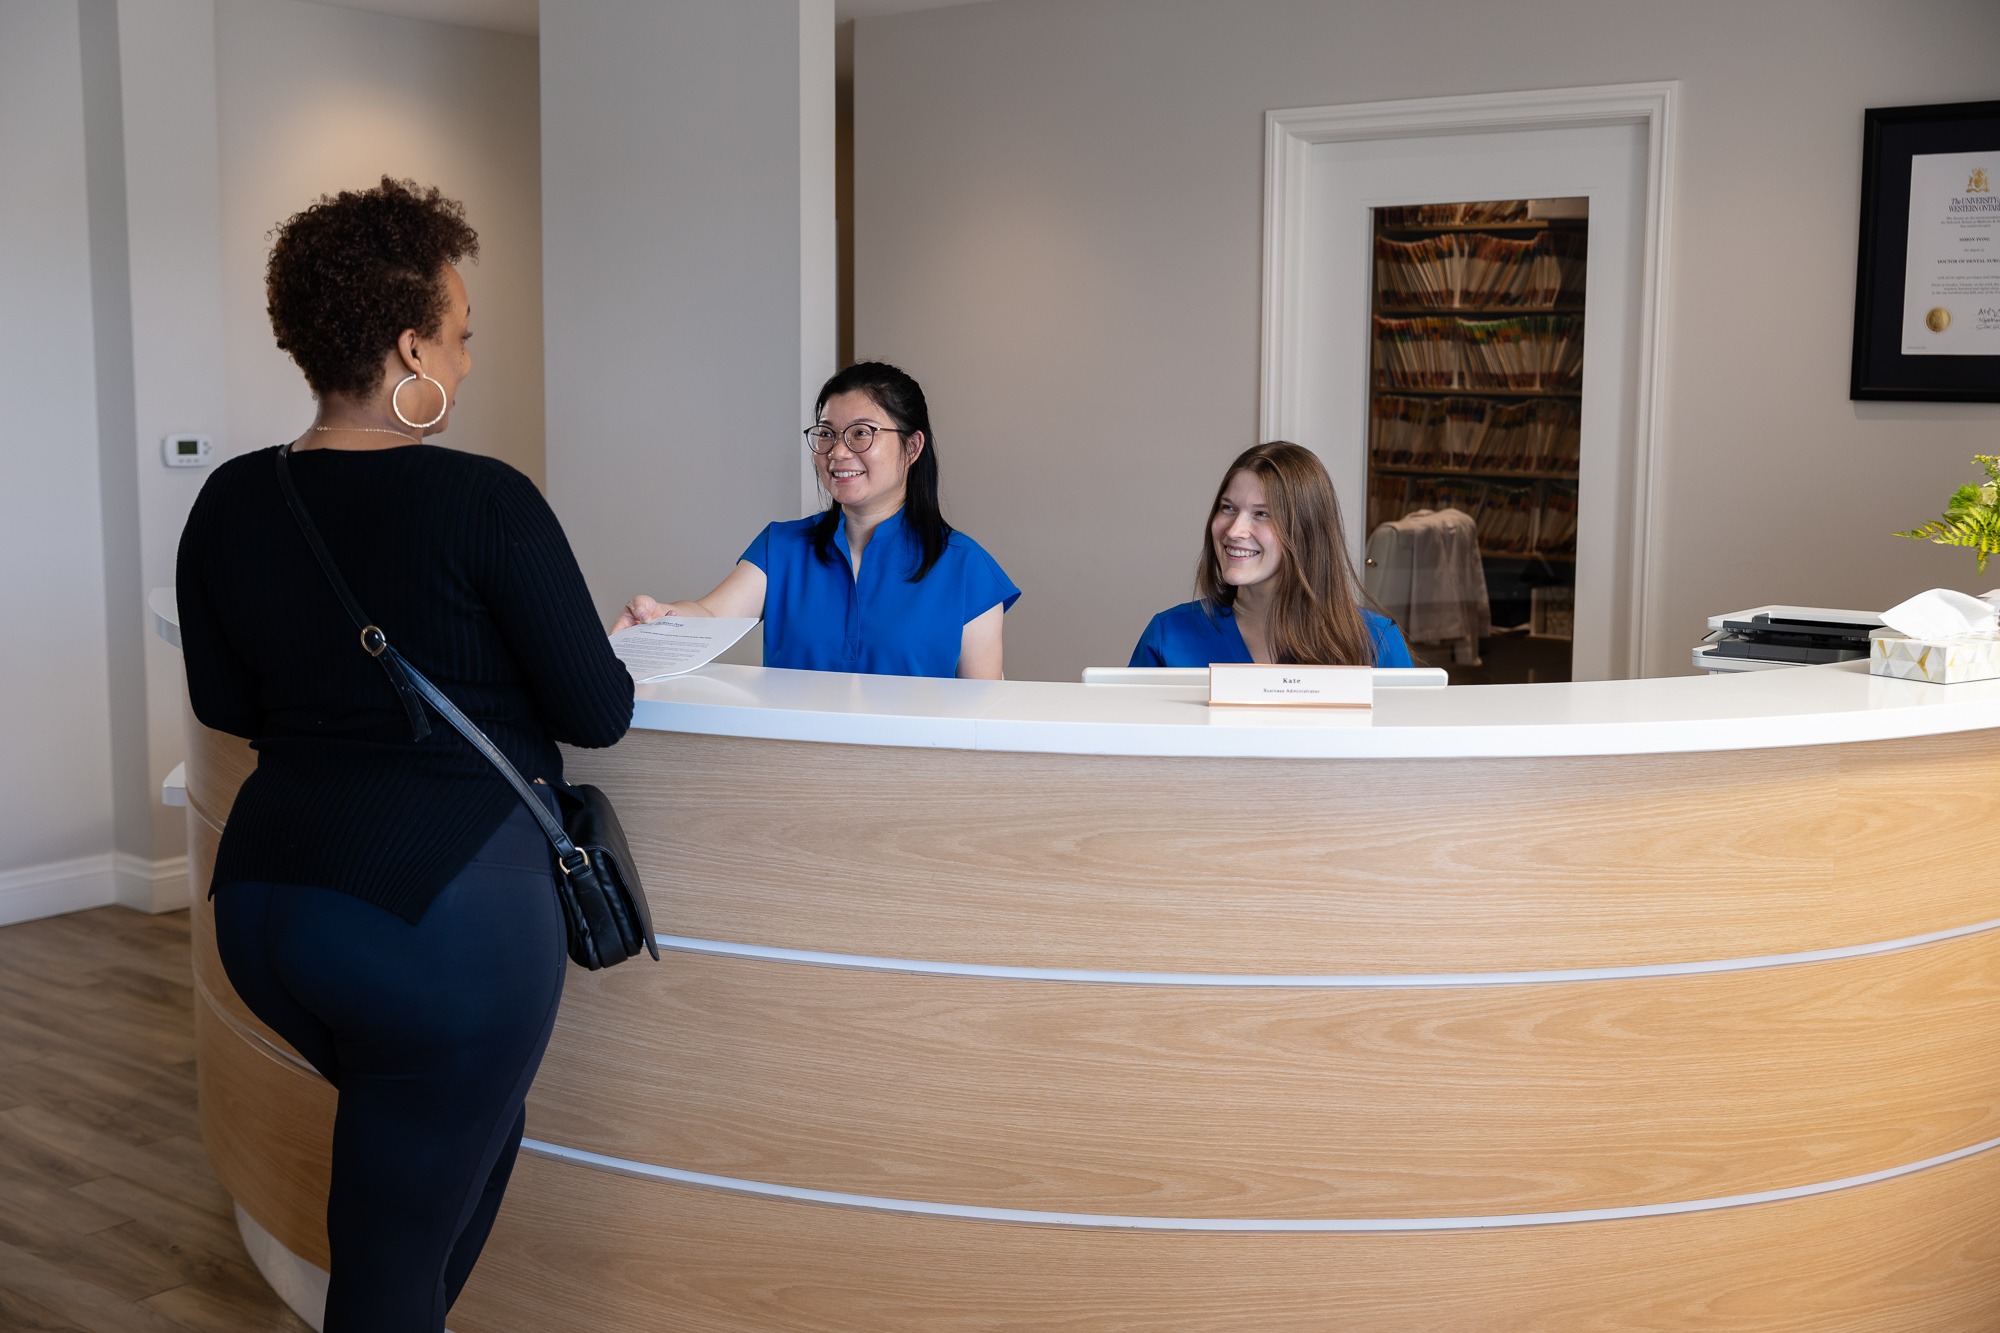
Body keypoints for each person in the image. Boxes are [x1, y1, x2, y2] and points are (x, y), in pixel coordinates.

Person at [174, 177, 633, 1332]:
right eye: (464, 336)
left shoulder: (229, 499)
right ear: (410, 343)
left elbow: (226, 699)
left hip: (268, 912)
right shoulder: (484, 500)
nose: (470, 363)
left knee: (453, 1159)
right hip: (437, 928)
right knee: (388, 1248)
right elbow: (598, 711)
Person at [614, 362, 1018, 678]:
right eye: (826, 434)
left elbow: (982, 713)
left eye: (861, 434)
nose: (837, 453)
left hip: (913, 779)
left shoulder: (966, 567)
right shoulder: (782, 548)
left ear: (912, 447)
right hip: (793, 772)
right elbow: (712, 616)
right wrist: (659, 618)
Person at [1130, 440, 1414, 668]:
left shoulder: (1377, 641)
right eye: (1228, 508)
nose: (1234, 530)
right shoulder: (1167, 636)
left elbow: (1405, 740)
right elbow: (1130, 739)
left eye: (1262, 514)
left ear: (1306, 531)